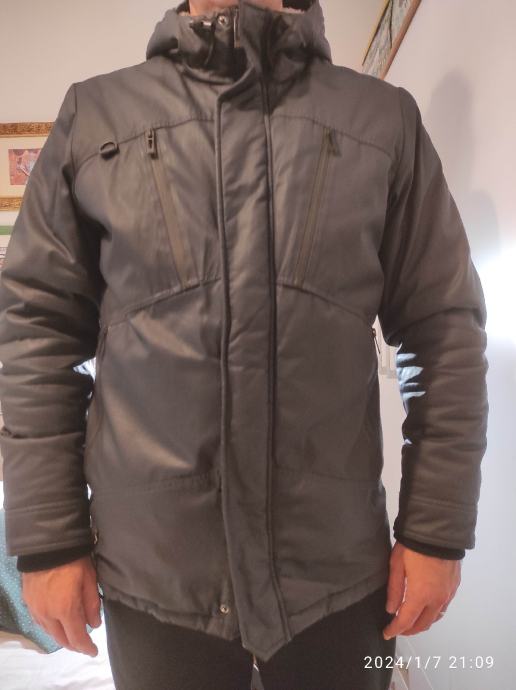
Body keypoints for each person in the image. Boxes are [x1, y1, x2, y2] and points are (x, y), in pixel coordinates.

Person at [0, 0, 488, 688]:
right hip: (155, 586)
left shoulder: (383, 121)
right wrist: (50, 538)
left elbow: (445, 331)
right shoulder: (96, 118)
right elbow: (37, 334)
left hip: (339, 579)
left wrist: (435, 530)